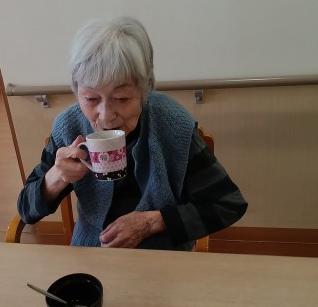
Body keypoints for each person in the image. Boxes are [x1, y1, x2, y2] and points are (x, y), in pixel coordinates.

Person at [18, 16, 247, 250]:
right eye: (91, 98)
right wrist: (57, 176)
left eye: (121, 98)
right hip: (91, 253)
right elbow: (26, 209)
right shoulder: (69, 126)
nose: (106, 116)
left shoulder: (172, 125)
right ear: (77, 92)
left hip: (162, 256)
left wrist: (151, 222)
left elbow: (228, 203)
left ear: (144, 91)